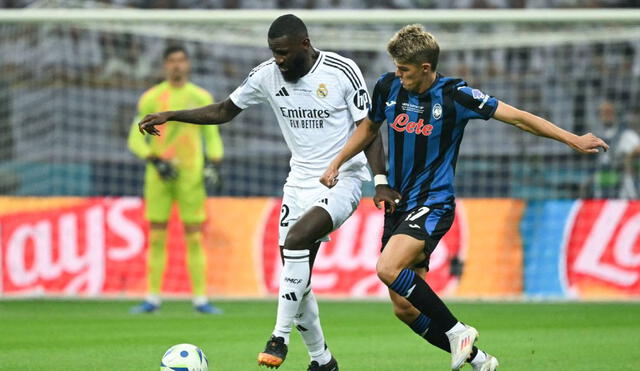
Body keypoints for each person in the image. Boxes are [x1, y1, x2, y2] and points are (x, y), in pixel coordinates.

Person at [320, 24, 608, 371]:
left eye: (405, 70)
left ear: (426, 68)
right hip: (399, 202)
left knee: (387, 268)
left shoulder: (456, 95)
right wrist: (337, 161)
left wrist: (572, 139)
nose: (398, 74)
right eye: (396, 67)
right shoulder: (387, 86)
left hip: (434, 202)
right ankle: (480, 360)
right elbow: (368, 128)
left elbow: (517, 118)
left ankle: (459, 331)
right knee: (404, 307)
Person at [138, 14, 383, 371]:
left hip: (343, 178)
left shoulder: (342, 71)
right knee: (296, 282)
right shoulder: (266, 75)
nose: (279, 60)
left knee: (296, 244)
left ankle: (278, 337)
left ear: (304, 43)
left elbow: (369, 127)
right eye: (274, 53)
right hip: (298, 183)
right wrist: (172, 115)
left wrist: (380, 180)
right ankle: (322, 361)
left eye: (284, 53)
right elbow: (224, 110)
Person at [128, 45, 224, 315]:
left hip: (191, 176)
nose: (177, 65)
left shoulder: (200, 96)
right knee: (157, 237)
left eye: (181, 60)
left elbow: (211, 136)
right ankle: (153, 298)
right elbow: (136, 136)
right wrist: (154, 159)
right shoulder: (151, 98)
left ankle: (200, 299)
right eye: (171, 61)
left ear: (188, 64)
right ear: (164, 65)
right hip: (159, 175)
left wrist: (215, 163)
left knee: (194, 238)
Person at [582, 100, 639, 199]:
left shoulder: (624, 134)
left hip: (621, 183)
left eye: (609, 112)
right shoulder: (594, 134)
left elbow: (638, 146)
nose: (606, 115)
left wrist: (629, 157)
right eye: (603, 112)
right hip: (600, 181)